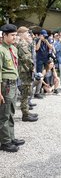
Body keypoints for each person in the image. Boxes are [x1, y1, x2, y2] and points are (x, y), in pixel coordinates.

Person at [0, 24, 25, 152]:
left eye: (16, 35)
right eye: (12, 35)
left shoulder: (13, 49)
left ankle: (11, 137)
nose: (15, 37)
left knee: (11, 112)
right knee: (4, 113)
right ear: (4, 35)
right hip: (5, 84)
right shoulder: (1, 50)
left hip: (13, 83)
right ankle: (4, 142)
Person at [16, 26, 38, 122]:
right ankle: (25, 114)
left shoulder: (24, 43)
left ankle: (26, 111)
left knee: (27, 91)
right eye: (26, 33)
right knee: (25, 93)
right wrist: (33, 68)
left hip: (25, 70)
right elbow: (27, 59)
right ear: (21, 34)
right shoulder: (22, 44)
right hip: (25, 71)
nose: (28, 34)